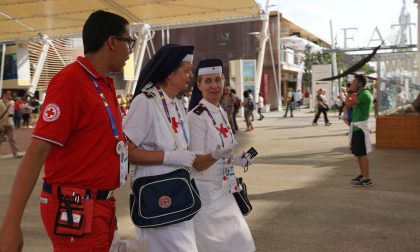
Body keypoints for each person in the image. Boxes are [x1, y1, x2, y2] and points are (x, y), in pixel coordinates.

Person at [0, 10, 133, 251]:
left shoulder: (102, 84)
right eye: (129, 42)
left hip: (100, 205)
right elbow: (36, 153)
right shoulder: (71, 82)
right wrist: (11, 224)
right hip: (78, 208)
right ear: (112, 42)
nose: (130, 51)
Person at [123, 44, 199, 252]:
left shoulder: (178, 104)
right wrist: (169, 157)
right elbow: (126, 151)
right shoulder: (145, 102)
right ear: (170, 72)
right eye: (187, 69)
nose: (190, 75)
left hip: (179, 192)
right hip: (156, 195)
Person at [187, 58, 256, 252]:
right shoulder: (195, 117)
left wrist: (236, 159)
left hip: (226, 190)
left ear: (224, 82)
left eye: (217, 79)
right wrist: (217, 154)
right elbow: (198, 164)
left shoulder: (221, 112)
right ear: (199, 85)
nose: (214, 85)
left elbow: (223, 156)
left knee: (242, 243)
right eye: (207, 81)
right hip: (206, 196)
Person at [346, 74, 373, 186]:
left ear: (359, 84)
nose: (351, 84)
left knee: (362, 154)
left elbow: (349, 103)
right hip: (357, 127)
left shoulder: (364, 94)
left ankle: (367, 179)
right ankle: (363, 175)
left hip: (360, 128)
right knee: (358, 153)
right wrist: (351, 92)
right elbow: (349, 104)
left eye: (353, 82)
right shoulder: (361, 94)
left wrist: (350, 92)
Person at [0, 90, 23, 158]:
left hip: (10, 123)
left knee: (12, 139)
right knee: (0, 140)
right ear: (4, 94)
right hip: (2, 124)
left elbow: (14, 112)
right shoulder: (0, 102)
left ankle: (15, 153)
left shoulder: (12, 102)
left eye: (10, 93)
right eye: (8, 93)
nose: (10, 94)